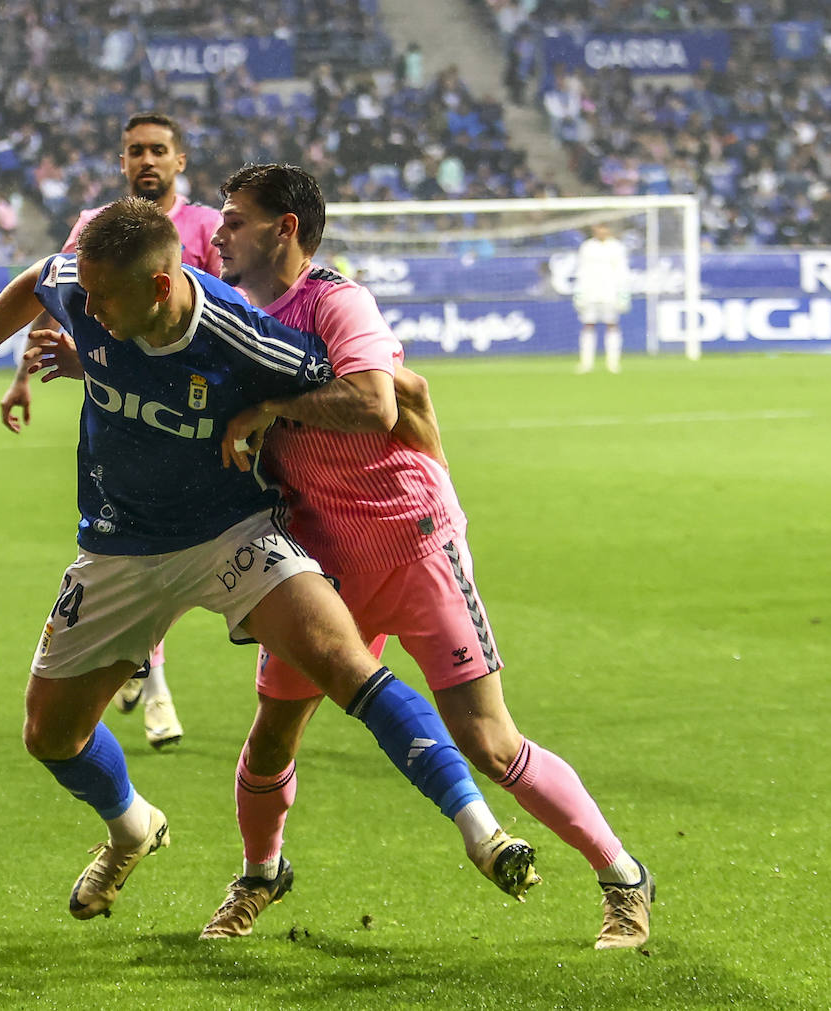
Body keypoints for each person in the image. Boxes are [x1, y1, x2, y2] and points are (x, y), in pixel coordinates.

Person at [0, 197, 538, 924]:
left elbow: (359, 394)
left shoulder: (243, 334)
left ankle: (483, 833)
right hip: (118, 545)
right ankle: (132, 825)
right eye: (84, 294)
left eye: (101, 297)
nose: (83, 306)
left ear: (160, 287)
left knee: (346, 662)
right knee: (50, 735)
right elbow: (39, 277)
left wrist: (406, 446)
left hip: (234, 532)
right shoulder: (80, 287)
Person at [206, 164, 651, 948]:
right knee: (274, 730)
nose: (221, 231)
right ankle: (260, 874)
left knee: (490, 741)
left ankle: (623, 877)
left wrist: (270, 406)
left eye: (237, 218)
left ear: (285, 230)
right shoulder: (233, 313)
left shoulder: (335, 300)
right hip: (318, 564)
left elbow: (379, 401)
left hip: (413, 542)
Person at [0, 112, 224, 750]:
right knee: (142, 552)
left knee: (180, 561)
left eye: (158, 150)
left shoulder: (207, 228)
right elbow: (59, 300)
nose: (146, 161)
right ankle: (154, 689)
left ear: (180, 161)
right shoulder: (96, 229)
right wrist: (23, 376)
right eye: (134, 152)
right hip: (123, 421)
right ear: (122, 162)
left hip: (192, 420)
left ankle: (134, 662)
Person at [573, 223, 631, 374]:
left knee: (612, 325)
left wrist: (623, 293)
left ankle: (613, 363)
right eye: (599, 228)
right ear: (594, 230)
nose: (602, 231)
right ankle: (586, 363)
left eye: (605, 228)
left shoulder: (617, 247)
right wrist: (579, 292)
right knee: (588, 324)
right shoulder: (587, 247)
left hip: (610, 292)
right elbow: (581, 270)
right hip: (590, 291)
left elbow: (622, 271)